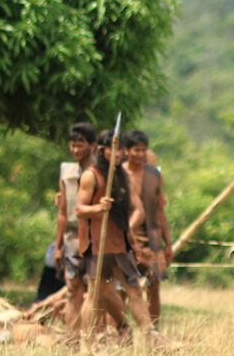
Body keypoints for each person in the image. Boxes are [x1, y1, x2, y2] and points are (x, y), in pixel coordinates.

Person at [76, 131, 153, 336]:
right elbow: (79, 210)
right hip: (98, 244)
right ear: (102, 151)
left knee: (135, 291)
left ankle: (150, 336)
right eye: (113, 149)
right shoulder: (90, 175)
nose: (118, 153)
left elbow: (131, 212)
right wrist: (97, 208)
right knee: (94, 294)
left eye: (120, 149)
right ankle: (88, 343)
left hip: (120, 243)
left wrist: (133, 242)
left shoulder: (122, 176)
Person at [123, 130, 172, 325]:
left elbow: (160, 211)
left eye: (143, 150)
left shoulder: (154, 175)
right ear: (127, 151)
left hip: (152, 237)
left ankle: (154, 332)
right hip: (125, 235)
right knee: (119, 287)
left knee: (154, 285)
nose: (140, 154)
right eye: (136, 150)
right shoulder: (119, 174)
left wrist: (168, 244)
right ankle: (119, 331)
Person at [55, 121, 95, 336]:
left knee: (96, 291)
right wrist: (58, 245)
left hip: (95, 236)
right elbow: (62, 213)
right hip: (72, 237)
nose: (76, 150)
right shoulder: (66, 172)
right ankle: (72, 338)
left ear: (92, 145)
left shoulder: (101, 172)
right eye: (73, 145)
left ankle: (91, 336)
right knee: (73, 290)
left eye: (80, 145)